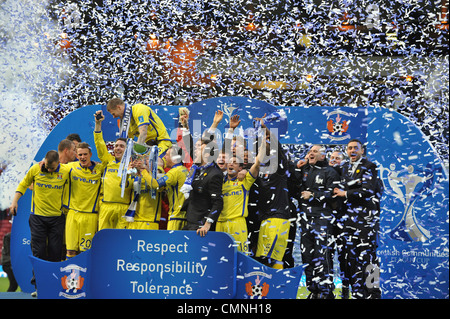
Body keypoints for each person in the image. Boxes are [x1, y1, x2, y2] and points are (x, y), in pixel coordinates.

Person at [10, 150, 70, 294]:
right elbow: (23, 184)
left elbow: (82, 166)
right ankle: (39, 286)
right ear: (44, 162)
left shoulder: (66, 170)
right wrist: (14, 202)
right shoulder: (36, 169)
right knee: (39, 252)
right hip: (37, 218)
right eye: (48, 167)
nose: (50, 170)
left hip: (57, 218)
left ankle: (54, 286)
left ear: (59, 163)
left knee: (56, 253)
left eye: (53, 168)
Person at [333, 139, 381, 299]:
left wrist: (345, 193)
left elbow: (368, 190)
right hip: (348, 223)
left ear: (362, 151)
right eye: (349, 148)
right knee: (351, 259)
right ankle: (358, 293)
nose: (352, 150)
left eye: (355, 148)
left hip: (366, 222)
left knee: (369, 259)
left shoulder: (370, 166)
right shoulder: (344, 168)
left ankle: (373, 293)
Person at [296, 145, 340, 299]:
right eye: (309, 151)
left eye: (315, 151)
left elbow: (334, 194)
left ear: (322, 156)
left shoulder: (330, 172)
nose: (311, 153)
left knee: (322, 255)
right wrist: (297, 169)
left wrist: (313, 195)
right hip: (305, 219)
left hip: (323, 219)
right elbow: (294, 188)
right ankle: (313, 290)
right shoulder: (304, 171)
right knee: (307, 255)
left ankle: (326, 291)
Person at [253, 116, 291, 269]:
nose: (266, 145)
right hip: (264, 219)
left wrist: (264, 128)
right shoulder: (258, 169)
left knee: (273, 259)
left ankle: (276, 291)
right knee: (263, 258)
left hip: (277, 218)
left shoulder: (279, 168)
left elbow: (277, 147)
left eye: (269, 144)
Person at [217, 141, 264, 253]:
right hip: (220, 223)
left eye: (235, 163)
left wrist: (264, 144)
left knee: (241, 256)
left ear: (240, 168)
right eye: (230, 162)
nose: (231, 164)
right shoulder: (219, 181)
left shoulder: (244, 181)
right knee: (220, 257)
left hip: (237, 223)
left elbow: (257, 163)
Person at [93, 110, 134, 230]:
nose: (118, 148)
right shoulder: (108, 161)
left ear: (127, 149)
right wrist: (98, 124)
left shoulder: (131, 165)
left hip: (124, 208)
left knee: (120, 242)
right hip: (106, 206)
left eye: (121, 146)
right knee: (103, 240)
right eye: (116, 146)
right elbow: (99, 144)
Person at [65, 142, 106, 258]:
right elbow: (54, 167)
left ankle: (84, 276)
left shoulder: (100, 168)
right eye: (80, 155)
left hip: (90, 216)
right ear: (77, 156)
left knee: (85, 252)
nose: (83, 157)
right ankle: (70, 276)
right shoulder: (70, 167)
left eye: (85, 154)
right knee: (70, 251)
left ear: (90, 154)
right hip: (73, 214)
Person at [134, 145, 189, 230]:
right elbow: (160, 188)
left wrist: (143, 171)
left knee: (173, 241)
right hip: (183, 215)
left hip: (176, 217)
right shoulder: (183, 169)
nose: (165, 157)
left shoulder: (174, 172)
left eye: (167, 155)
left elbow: (155, 184)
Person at [180, 137, 223, 237]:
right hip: (190, 222)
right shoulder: (196, 170)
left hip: (201, 227)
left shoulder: (214, 174)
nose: (195, 152)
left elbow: (218, 202)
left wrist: (207, 224)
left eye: (199, 149)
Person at [106, 98, 172, 162]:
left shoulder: (139, 109)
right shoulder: (126, 122)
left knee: (152, 162)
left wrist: (137, 153)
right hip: (148, 146)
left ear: (119, 107)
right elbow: (127, 143)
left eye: (113, 114)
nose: (114, 117)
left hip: (161, 142)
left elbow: (143, 133)